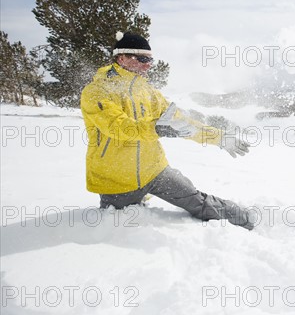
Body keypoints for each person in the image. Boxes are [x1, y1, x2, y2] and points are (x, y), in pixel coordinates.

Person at [80, 31, 256, 230]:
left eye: (150, 60)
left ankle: (249, 220)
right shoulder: (96, 92)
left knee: (198, 202)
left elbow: (182, 122)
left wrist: (218, 138)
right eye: (142, 58)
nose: (148, 64)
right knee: (120, 226)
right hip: (117, 180)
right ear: (122, 58)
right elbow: (119, 128)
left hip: (155, 170)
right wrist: (155, 127)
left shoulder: (149, 93)